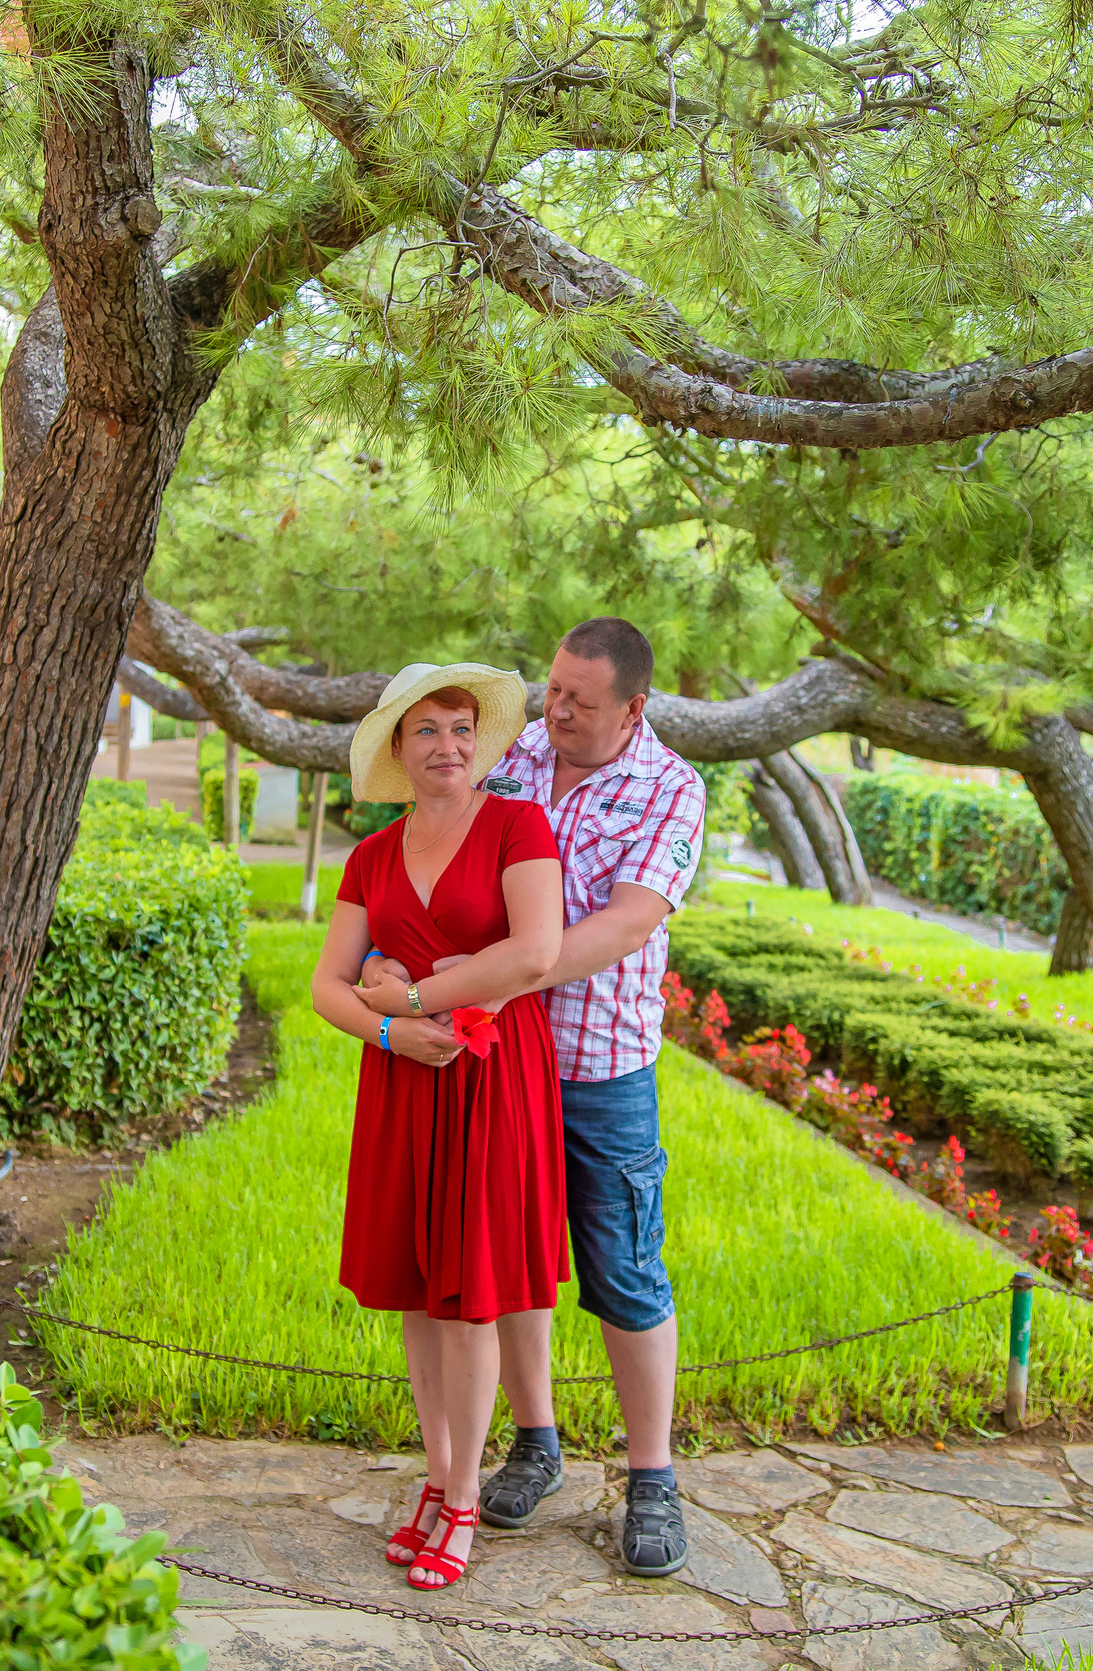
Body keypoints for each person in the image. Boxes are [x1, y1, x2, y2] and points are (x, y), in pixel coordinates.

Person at [363, 618, 707, 1578]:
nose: (554, 710)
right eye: (552, 689)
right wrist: (396, 964)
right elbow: (436, 864)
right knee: (505, 1263)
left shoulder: (670, 787)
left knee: (625, 1272)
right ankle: (535, 1440)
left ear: (633, 707)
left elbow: (627, 923)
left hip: (599, 1066)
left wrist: (497, 974)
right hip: (491, 1064)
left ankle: (652, 1477)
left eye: (579, 701)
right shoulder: (510, 760)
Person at [309, 662, 568, 1593]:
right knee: (419, 1291)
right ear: (398, 747)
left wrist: (413, 995)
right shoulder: (371, 855)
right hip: (404, 1081)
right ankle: (437, 1471)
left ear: (481, 742)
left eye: (462, 728)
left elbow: (534, 952)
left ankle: (463, 1497)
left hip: (493, 1077)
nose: (447, 745)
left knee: (472, 1293)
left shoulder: (517, 826)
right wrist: (390, 1031)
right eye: (426, 729)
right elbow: (327, 985)